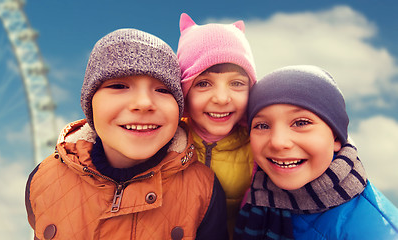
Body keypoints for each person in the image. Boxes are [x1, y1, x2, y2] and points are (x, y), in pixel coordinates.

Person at [25, 28, 228, 240]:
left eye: (162, 90)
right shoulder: (43, 179)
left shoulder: (203, 191)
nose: (143, 103)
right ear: (90, 102)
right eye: (119, 86)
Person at [234, 65, 398, 240]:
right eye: (262, 125)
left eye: (301, 123)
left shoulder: (376, 231)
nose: (277, 142)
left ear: (335, 137)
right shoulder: (257, 194)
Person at [176, 13, 257, 236]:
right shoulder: (166, 142)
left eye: (237, 83)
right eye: (203, 83)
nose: (222, 98)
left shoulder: (260, 145)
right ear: (183, 92)